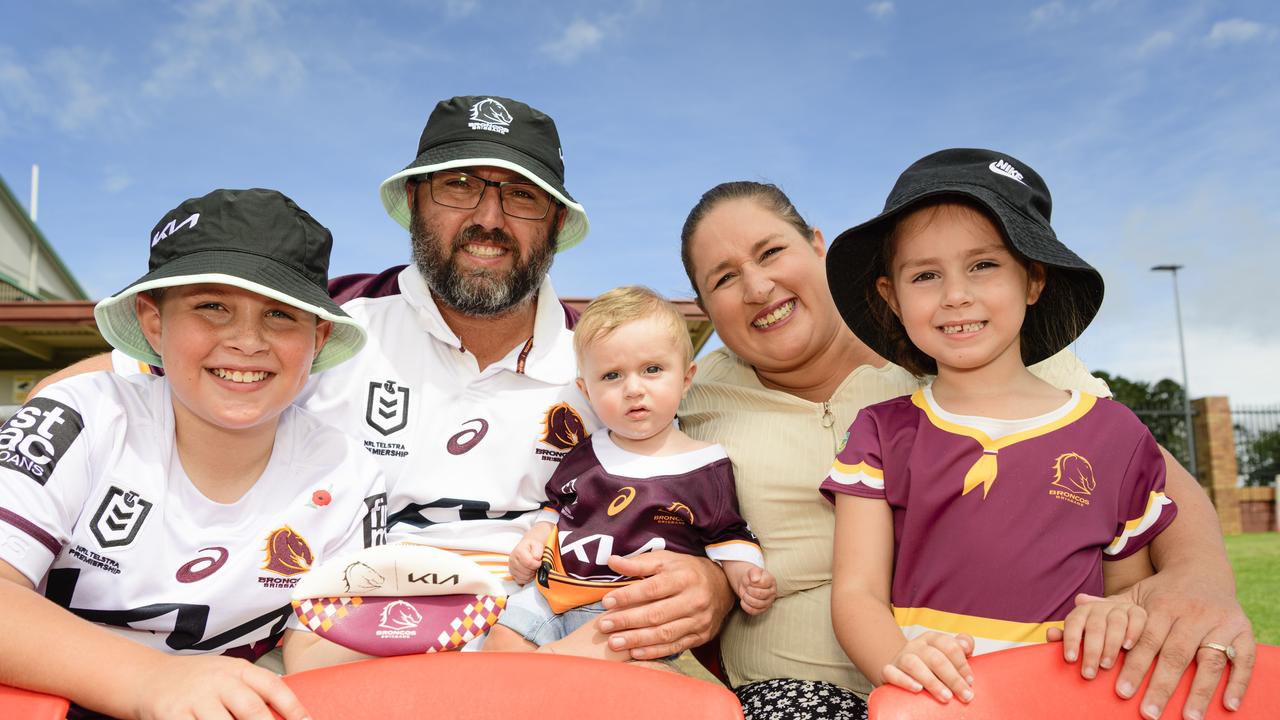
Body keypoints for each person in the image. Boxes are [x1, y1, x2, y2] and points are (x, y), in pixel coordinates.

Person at [36, 95, 735, 659]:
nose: (488, 219)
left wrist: (714, 584)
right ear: (414, 204)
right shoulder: (321, 320)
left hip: (559, 619)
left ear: (554, 223)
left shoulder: (608, 353)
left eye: (521, 196)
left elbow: (690, 482)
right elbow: (118, 382)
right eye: (458, 185)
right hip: (347, 629)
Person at [677, 180, 1254, 720]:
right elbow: (628, 515)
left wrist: (1199, 577)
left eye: (771, 251)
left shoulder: (989, 340)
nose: (757, 287)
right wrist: (709, 581)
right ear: (702, 304)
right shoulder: (682, 403)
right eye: (723, 279)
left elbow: (1140, 472)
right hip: (805, 690)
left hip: (1025, 672)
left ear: (817, 245)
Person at [0, 189, 387, 719]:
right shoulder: (78, 417)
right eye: (212, 306)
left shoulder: (351, 473)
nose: (248, 341)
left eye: (279, 314)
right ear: (154, 322)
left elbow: (316, 655)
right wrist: (150, 678)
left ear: (318, 338)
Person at [820, 148, 1177, 704]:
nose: (955, 294)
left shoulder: (1116, 436)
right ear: (892, 296)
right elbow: (857, 592)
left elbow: (1130, 590)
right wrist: (899, 660)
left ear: (1033, 280)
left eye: (983, 265)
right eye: (925, 274)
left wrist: (1117, 617)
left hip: (1068, 701)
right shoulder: (881, 434)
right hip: (933, 702)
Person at [485, 286, 775, 658]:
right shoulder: (586, 452)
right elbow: (557, 507)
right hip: (554, 588)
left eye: (652, 370)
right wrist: (536, 537)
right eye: (611, 376)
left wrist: (743, 577)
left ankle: (551, 674)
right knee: (501, 643)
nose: (633, 389)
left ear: (686, 379)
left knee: (615, 662)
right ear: (586, 392)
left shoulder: (703, 465)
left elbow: (726, 532)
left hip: (630, 606)